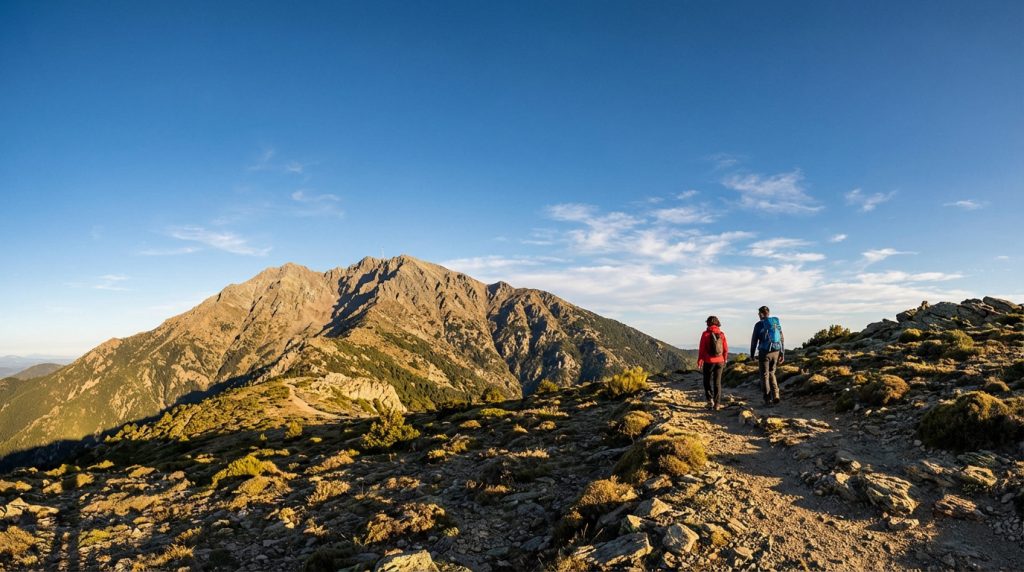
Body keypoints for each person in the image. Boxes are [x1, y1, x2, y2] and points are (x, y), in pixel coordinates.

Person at [751, 306, 785, 406]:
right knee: (772, 373)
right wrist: (782, 353)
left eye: (759, 314)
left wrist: (752, 354)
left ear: (761, 314)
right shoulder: (775, 323)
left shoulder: (758, 325)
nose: (758, 315)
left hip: (764, 352)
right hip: (776, 351)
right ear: (768, 313)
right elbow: (782, 338)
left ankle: (767, 399)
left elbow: (754, 341)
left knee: (764, 376)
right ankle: (776, 395)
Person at [697, 315, 728, 410]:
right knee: (717, 383)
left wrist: (700, 360)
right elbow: (725, 349)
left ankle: (710, 400)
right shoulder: (721, 334)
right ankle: (717, 404)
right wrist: (725, 359)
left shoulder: (705, 334)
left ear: (708, 323)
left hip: (708, 361)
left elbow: (702, 348)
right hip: (720, 361)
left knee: (706, 381)